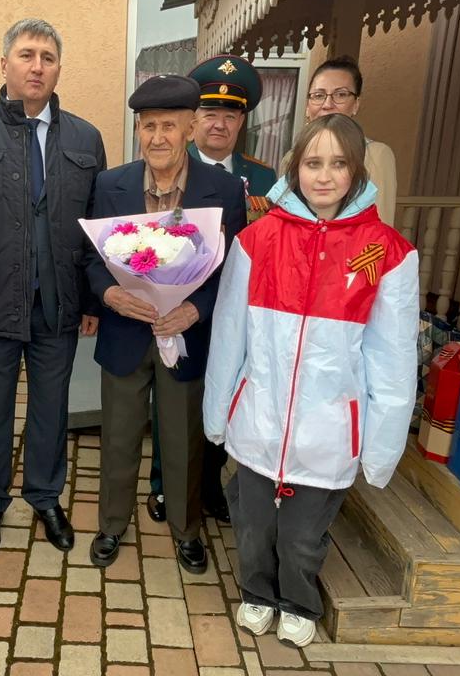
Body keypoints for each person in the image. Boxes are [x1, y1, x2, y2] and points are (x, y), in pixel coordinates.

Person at [203, 113, 418, 648]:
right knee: (253, 523)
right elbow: (230, 334)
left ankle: (298, 600)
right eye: (313, 162)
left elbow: (392, 359)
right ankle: (256, 590)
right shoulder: (257, 241)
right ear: (295, 168)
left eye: (338, 163)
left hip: (328, 430)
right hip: (260, 419)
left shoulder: (386, 252)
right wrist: (218, 411)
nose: (324, 176)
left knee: (302, 535)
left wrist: (381, 447)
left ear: (356, 170)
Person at [0, 18, 106, 558]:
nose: (37, 66)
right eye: (27, 55)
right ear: (4, 64)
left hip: (58, 304)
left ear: (58, 69)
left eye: (47, 58)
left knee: (51, 407)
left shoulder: (85, 138)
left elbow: (95, 230)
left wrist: (91, 300)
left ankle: (45, 496)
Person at [85, 75, 248, 574]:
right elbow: (91, 259)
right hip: (126, 335)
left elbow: (233, 271)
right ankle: (112, 525)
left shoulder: (223, 190)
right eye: (148, 126)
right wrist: (109, 294)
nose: (158, 137)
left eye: (169, 126)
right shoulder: (109, 184)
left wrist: (195, 309)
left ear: (191, 129)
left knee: (182, 441)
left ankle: (186, 530)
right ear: (138, 130)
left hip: (187, 336)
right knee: (118, 437)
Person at [141, 55, 278, 527]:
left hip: (235, 312)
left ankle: (210, 483)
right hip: (177, 311)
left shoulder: (266, 179)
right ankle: (164, 483)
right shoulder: (168, 166)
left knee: (223, 393)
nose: (220, 123)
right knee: (171, 403)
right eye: (210, 112)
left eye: (231, 114)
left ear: (242, 121)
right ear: (193, 120)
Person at [303, 56, 398, 223]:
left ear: (356, 104)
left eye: (341, 94)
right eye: (318, 95)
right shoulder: (292, 157)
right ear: (307, 106)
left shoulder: (375, 155)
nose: (327, 104)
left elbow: (380, 226)